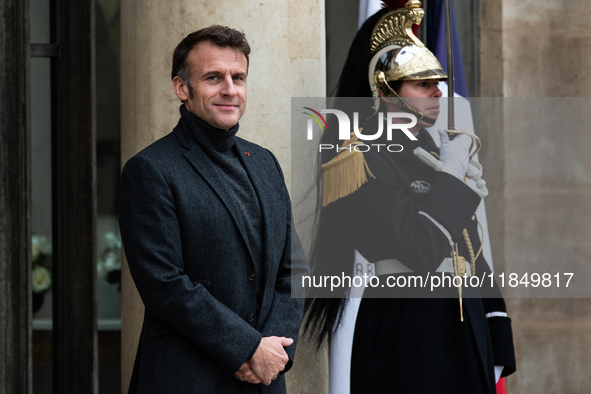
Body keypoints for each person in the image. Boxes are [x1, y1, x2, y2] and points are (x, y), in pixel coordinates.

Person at [304, 3, 516, 393]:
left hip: (464, 322)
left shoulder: (432, 151)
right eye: (423, 83)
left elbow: (469, 247)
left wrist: (496, 326)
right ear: (385, 91)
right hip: (408, 329)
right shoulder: (357, 153)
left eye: (437, 81)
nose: (439, 92)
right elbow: (421, 248)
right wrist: (452, 179)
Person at [118, 25, 308, 394]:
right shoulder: (151, 170)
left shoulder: (264, 162)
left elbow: (294, 270)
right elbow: (165, 284)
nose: (230, 89)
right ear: (181, 88)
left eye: (238, 77)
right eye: (213, 77)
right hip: (187, 379)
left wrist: (273, 353)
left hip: (263, 380)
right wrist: (248, 349)